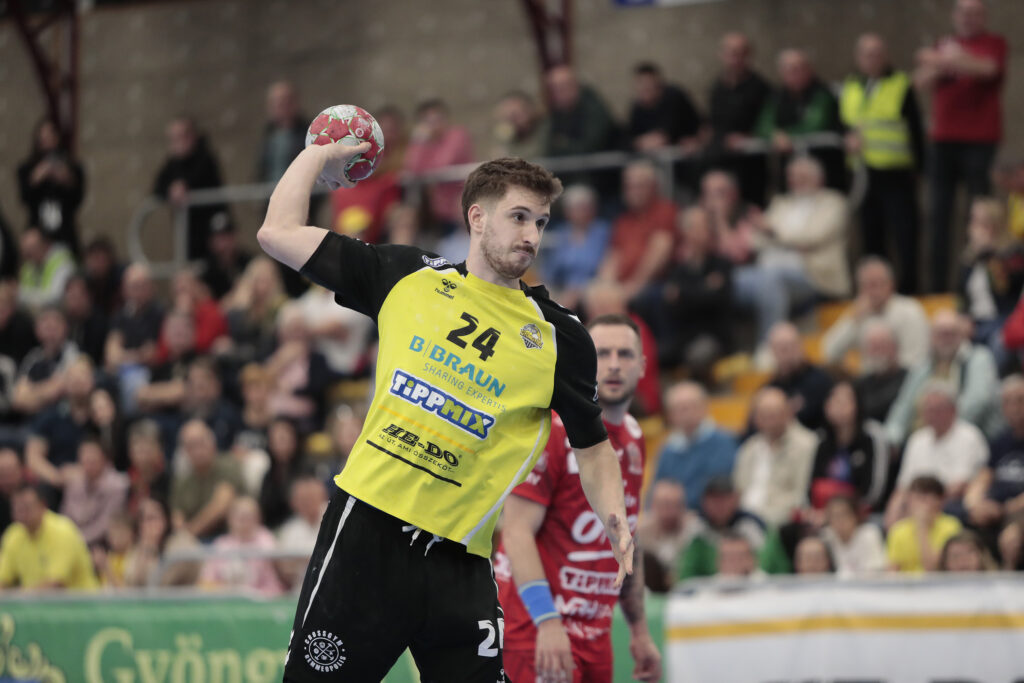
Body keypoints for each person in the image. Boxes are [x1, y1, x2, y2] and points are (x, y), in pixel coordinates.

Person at [258, 147, 633, 682]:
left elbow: (592, 447)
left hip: (460, 558)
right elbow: (277, 232)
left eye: (541, 222)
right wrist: (317, 153)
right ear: (477, 217)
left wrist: (614, 517)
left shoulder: (560, 338)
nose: (531, 235)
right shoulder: (405, 274)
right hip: (367, 533)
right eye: (519, 217)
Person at [497, 314, 660, 683]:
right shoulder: (553, 429)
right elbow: (516, 531)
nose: (614, 364)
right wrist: (546, 621)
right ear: (583, 359)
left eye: (625, 354)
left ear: (642, 366)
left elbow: (628, 536)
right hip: (536, 631)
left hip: (596, 635)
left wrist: (639, 631)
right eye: (602, 353)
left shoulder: (635, 437)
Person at [915, 0, 1008, 292]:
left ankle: (977, 285)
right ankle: (938, 288)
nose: (969, 18)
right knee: (939, 214)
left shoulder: (993, 43)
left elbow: (988, 69)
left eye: (975, 13)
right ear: (955, 16)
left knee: (979, 213)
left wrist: (943, 60)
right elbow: (920, 80)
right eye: (964, 12)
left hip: (979, 140)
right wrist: (951, 60)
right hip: (943, 140)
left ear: (984, 16)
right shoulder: (944, 44)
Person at [840, 33, 925, 294]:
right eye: (867, 54)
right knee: (871, 237)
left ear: (886, 56)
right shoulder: (851, 86)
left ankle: (908, 290)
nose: (872, 59)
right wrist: (847, 139)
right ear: (858, 58)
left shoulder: (900, 83)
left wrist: (920, 169)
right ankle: (874, 290)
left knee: (904, 235)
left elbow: (916, 130)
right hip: (863, 173)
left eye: (878, 54)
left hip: (896, 172)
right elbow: (843, 123)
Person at [885, 311, 1002, 446]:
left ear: (961, 336)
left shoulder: (978, 358)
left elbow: (978, 400)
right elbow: (903, 405)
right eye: (940, 334)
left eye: (951, 333)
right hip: (921, 439)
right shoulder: (922, 367)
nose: (946, 339)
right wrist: (892, 436)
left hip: (964, 437)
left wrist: (941, 425)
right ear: (931, 337)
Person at [886, 380, 989, 526]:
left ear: (953, 410)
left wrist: (925, 506)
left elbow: (961, 485)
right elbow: (903, 486)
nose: (931, 415)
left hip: (951, 506)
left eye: (937, 409)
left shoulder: (969, 436)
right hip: (915, 506)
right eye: (927, 409)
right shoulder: (917, 439)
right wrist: (892, 513)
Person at [754, 155, 852, 302]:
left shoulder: (833, 202)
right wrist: (789, 242)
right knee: (738, 279)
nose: (797, 181)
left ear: (819, 179)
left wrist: (774, 234)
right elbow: (756, 240)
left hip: (814, 273)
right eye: (793, 176)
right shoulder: (780, 203)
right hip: (770, 264)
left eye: (803, 176)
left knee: (771, 279)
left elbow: (813, 237)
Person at [652, 206, 734, 375]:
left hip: (714, 336)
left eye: (701, 227)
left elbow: (717, 300)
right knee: (655, 356)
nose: (697, 233)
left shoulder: (722, 265)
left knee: (698, 355)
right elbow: (670, 305)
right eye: (692, 228)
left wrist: (684, 294)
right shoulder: (678, 270)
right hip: (684, 336)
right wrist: (703, 289)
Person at [756, 49, 844, 191]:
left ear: (810, 69)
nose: (795, 73)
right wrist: (774, 135)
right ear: (782, 72)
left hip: (823, 165)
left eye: (800, 68)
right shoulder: (776, 96)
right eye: (790, 69)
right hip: (789, 168)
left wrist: (787, 136)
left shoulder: (823, 93)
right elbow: (763, 124)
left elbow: (816, 124)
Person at [823, 257, 930, 368]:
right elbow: (830, 352)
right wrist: (853, 321)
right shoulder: (858, 313)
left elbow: (916, 359)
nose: (876, 291)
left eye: (881, 283)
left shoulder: (909, 310)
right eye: (869, 285)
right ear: (859, 288)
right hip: (868, 377)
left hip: (903, 375)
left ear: (891, 284)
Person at [733, 387, 818, 526]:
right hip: (744, 518)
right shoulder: (749, 447)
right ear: (755, 418)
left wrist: (762, 516)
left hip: (779, 520)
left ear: (788, 413)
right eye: (763, 415)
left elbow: (801, 496)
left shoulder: (806, 444)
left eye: (774, 414)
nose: (769, 420)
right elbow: (738, 490)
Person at [963, 375, 1024, 569]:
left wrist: (1005, 508)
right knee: (961, 522)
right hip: (996, 508)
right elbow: (983, 477)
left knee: (1012, 537)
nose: (1014, 408)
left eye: (1020, 401)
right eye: (1008, 402)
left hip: (1017, 510)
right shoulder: (1000, 441)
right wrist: (975, 503)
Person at [597, 159, 678, 301]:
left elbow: (659, 254)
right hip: (622, 286)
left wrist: (633, 286)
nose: (633, 192)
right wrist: (604, 284)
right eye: (629, 187)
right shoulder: (622, 220)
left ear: (653, 187)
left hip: (652, 285)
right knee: (596, 294)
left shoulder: (665, 211)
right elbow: (613, 258)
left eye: (639, 186)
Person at [152, 116, 232, 261]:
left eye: (180, 137)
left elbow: (200, 178)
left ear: (191, 137)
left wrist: (183, 186)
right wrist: (171, 189)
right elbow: (157, 187)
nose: (176, 143)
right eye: (173, 139)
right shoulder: (173, 162)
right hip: (187, 230)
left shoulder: (206, 157)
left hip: (210, 228)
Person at [706, 32, 772, 206]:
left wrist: (749, 137)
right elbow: (713, 122)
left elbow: (767, 123)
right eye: (730, 53)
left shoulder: (760, 87)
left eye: (740, 53)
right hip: (721, 158)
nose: (735, 59)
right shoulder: (717, 87)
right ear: (721, 55)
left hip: (751, 163)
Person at [957, 197, 1024, 366]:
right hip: (975, 321)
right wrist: (963, 317)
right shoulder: (968, 260)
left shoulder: (1013, 254)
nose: (973, 227)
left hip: (1002, 319)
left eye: (981, 222)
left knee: (997, 341)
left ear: (995, 224)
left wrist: (989, 255)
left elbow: (1003, 289)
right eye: (972, 220)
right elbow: (961, 296)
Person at [652, 381, 738, 510]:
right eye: (678, 409)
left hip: (707, 514)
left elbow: (717, 488)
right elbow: (655, 490)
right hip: (671, 515)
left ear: (704, 407)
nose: (685, 413)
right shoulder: (668, 449)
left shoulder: (723, 441)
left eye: (690, 406)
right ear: (670, 415)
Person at [808, 380, 890, 512]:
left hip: (861, 513)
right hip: (823, 512)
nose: (837, 406)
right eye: (833, 400)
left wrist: (846, 514)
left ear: (858, 404)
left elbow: (874, 492)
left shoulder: (873, 435)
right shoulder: (819, 439)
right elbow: (811, 486)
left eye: (843, 401)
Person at [0, 484, 98, 590]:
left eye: (27, 508)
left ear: (42, 506)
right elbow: (3, 579)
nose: (22, 513)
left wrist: (18, 595)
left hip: (81, 599)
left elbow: (56, 583)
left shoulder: (63, 531)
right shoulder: (13, 535)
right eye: (17, 509)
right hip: (33, 599)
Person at [676, 476, 770, 581]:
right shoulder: (695, 529)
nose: (719, 505)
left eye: (724, 499)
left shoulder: (751, 525)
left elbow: (765, 564)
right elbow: (686, 573)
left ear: (735, 499)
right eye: (714, 499)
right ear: (704, 501)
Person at [402, 99, 475, 235]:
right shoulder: (424, 142)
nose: (434, 124)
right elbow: (412, 169)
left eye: (438, 119)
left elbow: (444, 163)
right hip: (435, 210)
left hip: (461, 204)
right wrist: (418, 141)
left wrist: (426, 165)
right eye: (428, 121)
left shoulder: (458, 134)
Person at [16, 118, 85, 254]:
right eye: (43, 137)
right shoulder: (27, 168)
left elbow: (78, 199)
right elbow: (24, 198)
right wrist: (35, 178)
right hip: (38, 227)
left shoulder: (72, 167)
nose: (47, 141)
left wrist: (67, 180)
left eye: (51, 136)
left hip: (64, 229)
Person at [539, 184, 611, 312]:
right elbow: (551, 269)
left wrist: (576, 289)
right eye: (573, 208)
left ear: (593, 209)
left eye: (583, 207)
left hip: (592, 286)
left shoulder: (602, 232)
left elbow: (602, 267)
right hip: (562, 287)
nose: (579, 212)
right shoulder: (561, 233)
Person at [169, 419, 244, 540]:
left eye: (201, 443)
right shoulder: (182, 479)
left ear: (213, 442)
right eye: (191, 446)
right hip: (194, 541)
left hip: (229, 537)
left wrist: (189, 534)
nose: (197, 450)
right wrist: (182, 535)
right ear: (184, 451)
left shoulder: (228, 464)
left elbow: (221, 506)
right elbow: (177, 516)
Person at [198, 496, 285, 597]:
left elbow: (278, 577)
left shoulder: (267, 540)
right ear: (230, 519)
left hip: (263, 599)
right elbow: (207, 582)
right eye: (241, 517)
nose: (245, 523)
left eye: (249, 517)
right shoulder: (220, 544)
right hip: (227, 599)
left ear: (258, 518)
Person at [766, 321, 835, 431]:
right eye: (781, 348)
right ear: (772, 351)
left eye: (790, 346)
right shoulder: (769, 390)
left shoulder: (821, 382)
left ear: (801, 346)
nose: (786, 353)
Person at [59, 437, 129, 546]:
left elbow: (106, 523)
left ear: (104, 459)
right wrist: (68, 537)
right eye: (85, 460)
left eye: (93, 460)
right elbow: (65, 516)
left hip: (103, 543)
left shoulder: (117, 485)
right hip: (72, 541)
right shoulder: (74, 482)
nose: (89, 465)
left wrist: (79, 540)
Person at [12, 305, 80, 415]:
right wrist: (45, 391)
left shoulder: (72, 353)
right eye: (47, 326)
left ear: (65, 327)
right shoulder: (33, 356)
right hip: (32, 419)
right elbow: (18, 399)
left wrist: (33, 392)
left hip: (62, 415)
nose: (51, 332)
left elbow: (58, 390)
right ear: (37, 329)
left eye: (55, 326)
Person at [887, 475, 963, 572]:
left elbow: (933, 569)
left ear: (939, 501)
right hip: (906, 582)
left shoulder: (951, 526)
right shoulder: (898, 530)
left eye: (923, 499)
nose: (919, 505)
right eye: (914, 498)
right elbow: (893, 570)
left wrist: (922, 526)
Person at [628, 61, 702, 154]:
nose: (645, 87)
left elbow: (666, 134)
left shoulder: (673, 97)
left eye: (648, 83)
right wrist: (640, 142)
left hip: (689, 151)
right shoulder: (637, 107)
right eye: (641, 83)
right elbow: (631, 137)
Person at [636, 479, 697, 592]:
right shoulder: (641, 532)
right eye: (664, 505)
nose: (669, 512)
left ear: (683, 506)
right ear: (653, 505)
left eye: (675, 505)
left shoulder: (695, 532)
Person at [854, 320, 910, 423]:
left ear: (895, 347)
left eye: (881, 346)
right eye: (873, 347)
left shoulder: (909, 379)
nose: (877, 352)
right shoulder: (861, 384)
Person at [820, 495, 887, 577]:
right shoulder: (827, 537)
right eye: (834, 516)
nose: (839, 520)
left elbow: (876, 570)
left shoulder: (869, 533)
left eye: (843, 514)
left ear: (855, 515)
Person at [257, 80, 307, 185]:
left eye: (286, 101)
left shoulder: (308, 133)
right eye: (277, 102)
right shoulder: (268, 135)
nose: (282, 106)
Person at [17, 226, 75, 314]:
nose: (28, 255)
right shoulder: (29, 265)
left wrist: (21, 296)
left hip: (58, 315)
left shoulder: (62, 262)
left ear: (45, 245)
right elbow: (22, 292)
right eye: (25, 251)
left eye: (32, 248)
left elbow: (55, 298)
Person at [492, 91, 549, 160]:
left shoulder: (548, 132)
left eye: (515, 115)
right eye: (506, 117)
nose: (511, 122)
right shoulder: (507, 144)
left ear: (529, 110)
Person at [0, 448, 23, 535]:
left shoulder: (36, 492)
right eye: (3, 475)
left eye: (11, 473)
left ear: (20, 470)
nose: (8, 481)